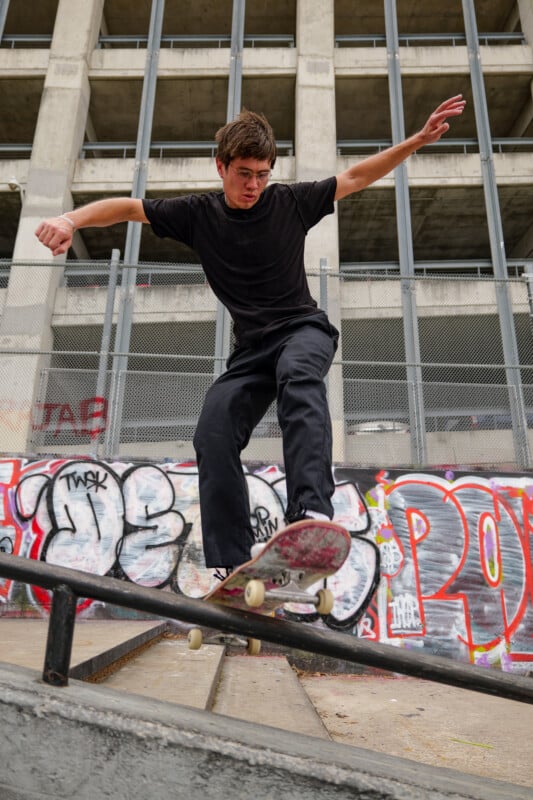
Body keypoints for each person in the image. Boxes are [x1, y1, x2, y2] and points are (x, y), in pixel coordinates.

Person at [36, 94, 466, 576]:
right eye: (243, 174)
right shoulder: (197, 214)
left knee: (298, 377)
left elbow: (355, 177)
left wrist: (417, 140)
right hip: (251, 353)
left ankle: (311, 511)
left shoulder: (290, 202)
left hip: (303, 331)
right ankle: (231, 563)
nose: (253, 186)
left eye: (262, 174)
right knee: (212, 432)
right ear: (220, 166)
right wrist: (69, 219)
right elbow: (128, 208)